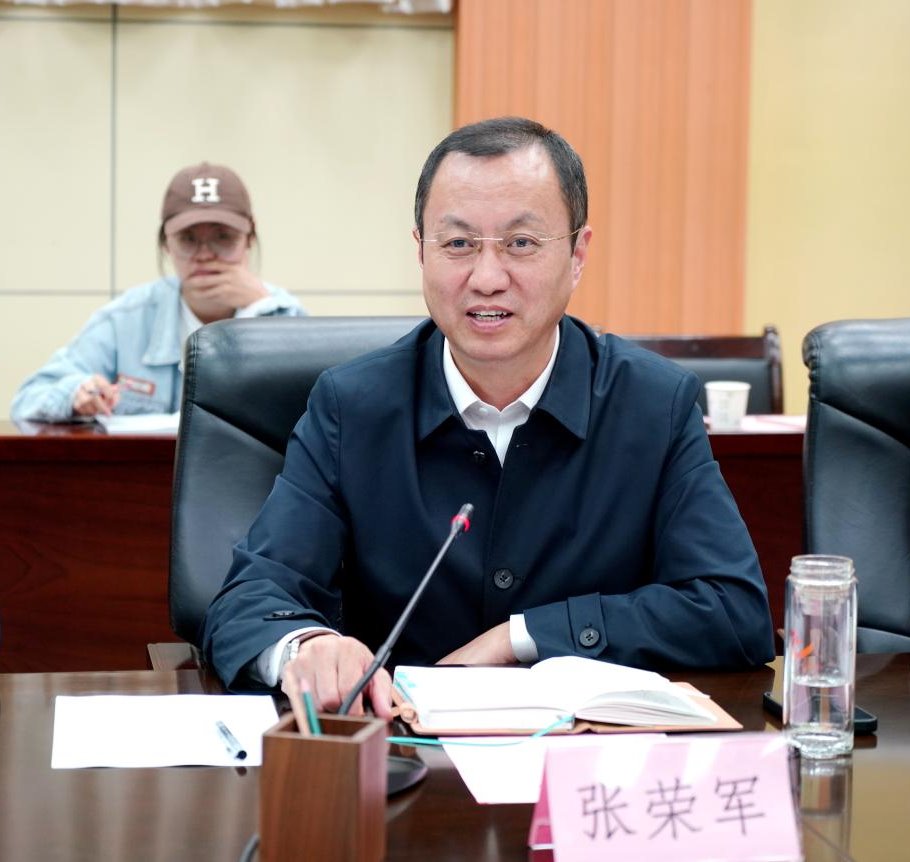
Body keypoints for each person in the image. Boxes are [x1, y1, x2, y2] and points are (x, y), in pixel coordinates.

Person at [202, 117, 774, 717]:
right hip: (401, 755)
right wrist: (306, 646)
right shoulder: (352, 407)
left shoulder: (653, 405)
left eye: (521, 243)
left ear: (578, 255)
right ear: (421, 251)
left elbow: (732, 611)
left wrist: (522, 637)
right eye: (458, 244)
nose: (487, 278)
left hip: (580, 757)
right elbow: (250, 597)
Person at [11, 162, 304, 422]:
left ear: (249, 237)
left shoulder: (285, 315)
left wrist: (264, 310)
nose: (205, 255)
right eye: (188, 239)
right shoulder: (126, 319)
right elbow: (28, 399)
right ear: (166, 242)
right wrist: (77, 393)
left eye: (223, 237)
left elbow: (320, 412)